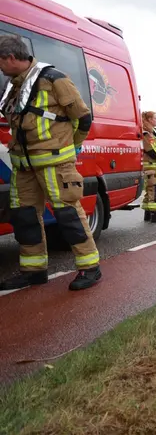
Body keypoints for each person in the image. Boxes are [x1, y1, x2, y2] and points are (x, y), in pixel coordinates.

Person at [0, 34, 101, 291]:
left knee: (68, 214)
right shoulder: (14, 85)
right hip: (23, 166)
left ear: (12, 58)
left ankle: (90, 268)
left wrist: (66, 148)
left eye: (0, 61)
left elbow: (83, 119)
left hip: (55, 165)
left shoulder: (55, 79)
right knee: (24, 218)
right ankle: (33, 271)